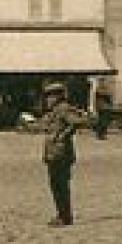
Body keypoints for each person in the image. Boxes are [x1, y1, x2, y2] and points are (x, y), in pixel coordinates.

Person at [39, 81, 93, 227]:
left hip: (61, 154)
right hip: (54, 153)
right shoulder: (55, 111)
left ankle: (65, 217)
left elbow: (80, 121)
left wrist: (65, 134)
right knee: (56, 185)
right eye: (47, 96)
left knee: (60, 186)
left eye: (51, 96)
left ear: (58, 96)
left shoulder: (63, 109)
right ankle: (62, 215)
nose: (48, 99)